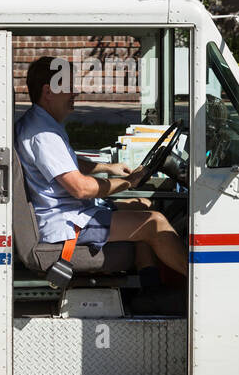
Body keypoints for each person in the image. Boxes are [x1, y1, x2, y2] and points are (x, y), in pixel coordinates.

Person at [14, 55, 188, 302]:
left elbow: (67, 164)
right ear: (48, 91)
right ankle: (202, 288)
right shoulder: (43, 135)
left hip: (71, 214)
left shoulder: (40, 123)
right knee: (155, 222)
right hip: (66, 225)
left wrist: (109, 168)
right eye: (68, 87)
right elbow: (80, 189)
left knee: (142, 206)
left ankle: (150, 291)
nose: (75, 92)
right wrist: (129, 182)